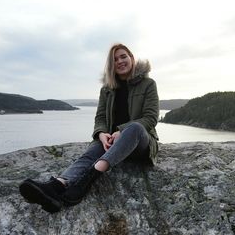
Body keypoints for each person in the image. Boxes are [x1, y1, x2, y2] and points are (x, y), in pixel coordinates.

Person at [19, 43, 159, 213]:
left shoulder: (148, 84)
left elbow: (150, 118)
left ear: (131, 58)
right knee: (90, 153)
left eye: (123, 56)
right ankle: (56, 187)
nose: (120, 61)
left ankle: (89, 178)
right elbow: (100, 117)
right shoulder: (107, 89)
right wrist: (100, 134)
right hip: (111, 142)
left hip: (139, 143)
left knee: (134, 128)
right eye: (115, 59)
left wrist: (121, 131)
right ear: (111, 65)